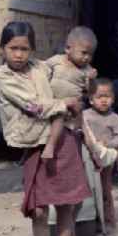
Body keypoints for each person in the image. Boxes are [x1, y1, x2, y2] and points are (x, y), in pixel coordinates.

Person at [0, 21, 92, 236]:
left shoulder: (42, 67)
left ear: (32, 50)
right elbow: (33, 105)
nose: (18, 54)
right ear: (3, 49)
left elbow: (70, 67)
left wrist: (85, 78)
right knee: (38, 211)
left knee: (65, 206)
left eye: (24, 49)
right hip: (32, 145)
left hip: (62, 140)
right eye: (13, 48)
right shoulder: (3, 77)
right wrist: (64, 103)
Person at [43, 26, 99, 160]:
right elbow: (41, 71)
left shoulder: (87, 70)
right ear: (68, 49)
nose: (87, 58)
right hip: (52, 102)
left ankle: (93, 154)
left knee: (79, 128)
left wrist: (92, 81)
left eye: (90, 54)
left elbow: (91, 93)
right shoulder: (56, 61)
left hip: (71, 108)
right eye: (84, 52)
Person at [82, 78, 118, 229]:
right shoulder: (84, 116)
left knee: (105, 189)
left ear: (113, 99)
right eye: (100, 97)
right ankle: (91, 220)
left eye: (107, 97)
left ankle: (109, 219)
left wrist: (109, 144)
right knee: (89, 189)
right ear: (91, 99)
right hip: (87, 159)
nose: (104, 100)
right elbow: (80, 133)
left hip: (105, 159)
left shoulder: (114, 118)